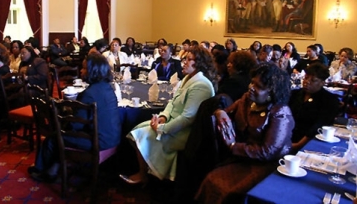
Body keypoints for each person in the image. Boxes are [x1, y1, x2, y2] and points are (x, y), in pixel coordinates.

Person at [196, 63, 294, 203]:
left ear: (272, 92)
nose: (251, 88)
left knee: (231, 191)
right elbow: (228, 111)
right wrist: (220, 112)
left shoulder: (280, 112)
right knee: (211, 178)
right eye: (252, 82)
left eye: (259, 87)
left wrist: (234, 146)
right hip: (244, 158)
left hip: (269, 165)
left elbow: (268, 152)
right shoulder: (247, 100)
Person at [119, 46, 216, 184]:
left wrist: (163, 129)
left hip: (186, 133)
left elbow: (188, 118)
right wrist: (163, 117)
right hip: (172, 123)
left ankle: (144, 175)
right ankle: (148, 171)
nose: (184, 62)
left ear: (199, 63)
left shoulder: (201, 85)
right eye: (185, 59)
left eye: (189, 59)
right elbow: (172, 102)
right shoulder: (188, 78)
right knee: (136, 129)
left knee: (140, 135)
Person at [28, 53, 121, 181]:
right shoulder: (108, 88)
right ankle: (53, 168)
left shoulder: (88, 94)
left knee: (54, 137)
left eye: (84, 68)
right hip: (113, 136)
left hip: (99, 141)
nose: (81, 71)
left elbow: (76, 125)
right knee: (60, 135)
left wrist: (64, 120)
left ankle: (42, 171)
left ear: (92, 71)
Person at [289, 63, 340, 151]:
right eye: (305, 78)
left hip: (310, 141)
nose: (306, 82)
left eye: (313, 80)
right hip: (287, 135)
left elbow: (318, 126)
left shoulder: (330, 100)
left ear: (322, 82)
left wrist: (298, 145)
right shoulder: (294, 94)